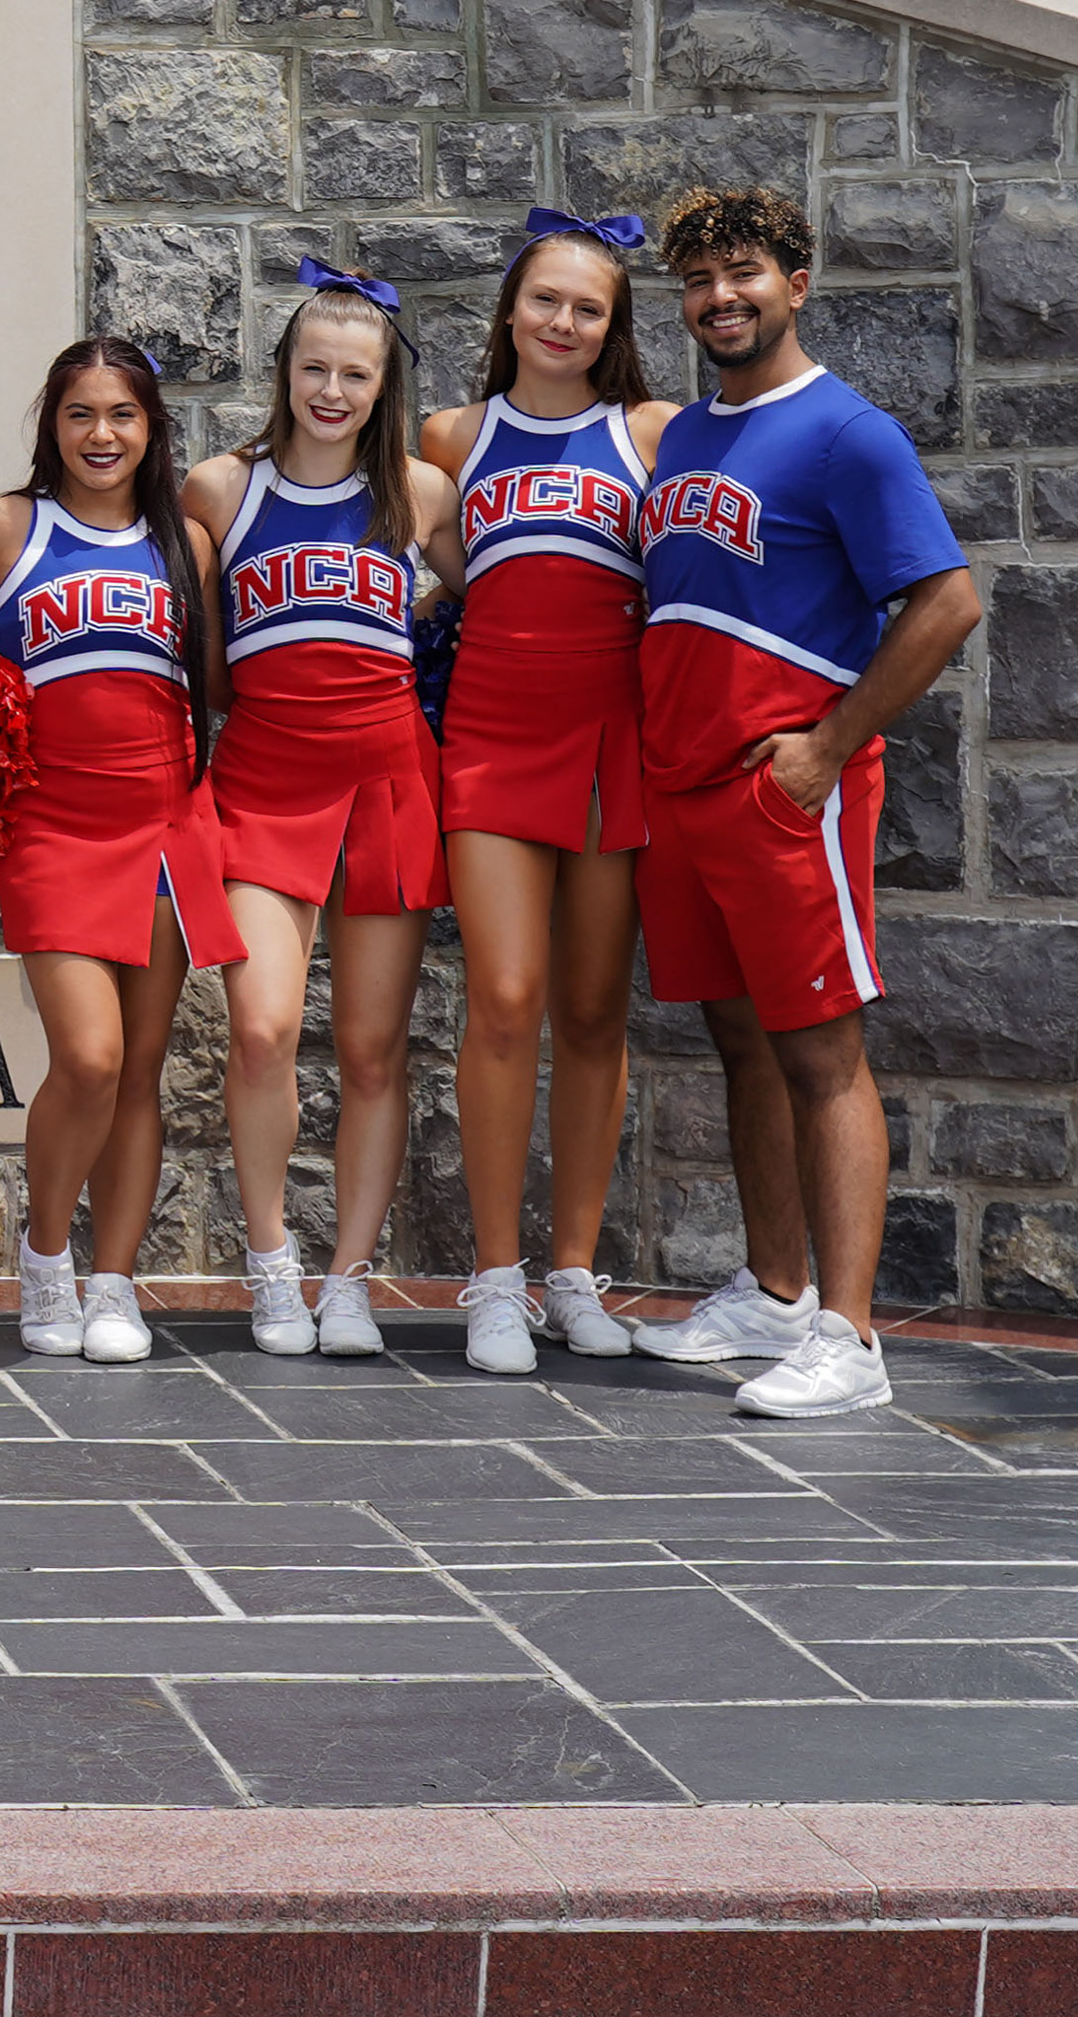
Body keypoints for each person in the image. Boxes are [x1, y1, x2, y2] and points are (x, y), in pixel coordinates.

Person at [629, 185, 981, 1420]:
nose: (721, 298)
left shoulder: (848, 434)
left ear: (799, 282)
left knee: (824, 1055)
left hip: (785, 794)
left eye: (745, 274)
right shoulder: (683, 437)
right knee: (742, 1043)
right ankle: (775, 1294)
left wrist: (827, 749)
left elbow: (945, 601)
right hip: (686, 792)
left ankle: (850, 1338)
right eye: (700, 281)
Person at [0, 337, 237, 1365]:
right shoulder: (0, 528)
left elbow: (211, 689)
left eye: (123, 415)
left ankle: (114, 1282)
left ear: (152, 429)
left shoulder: (184, 547)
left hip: (163, 829)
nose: (102, 434)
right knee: (89, 1055)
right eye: (82, 414)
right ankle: (43, 1261)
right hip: (53, 830)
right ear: (52, 425)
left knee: (141, 1069)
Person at [419, 212, 678, 1378]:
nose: (564, 322)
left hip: (609, 739)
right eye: (546, 301)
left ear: (612, 328)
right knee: (505, 997)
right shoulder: (449, 436)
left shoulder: (651, 432)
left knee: (590, 1011)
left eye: (589, 308)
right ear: (510, 312)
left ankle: (572, 1272)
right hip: (490, 736)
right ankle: (492, 1281)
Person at [185, 269, 459, 1360]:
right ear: (284, 374)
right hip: (263, 778)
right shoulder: (221, 488)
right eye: (314, 370)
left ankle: (349, 1278)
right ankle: (270, 1264)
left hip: (388, 776)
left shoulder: (417, 491)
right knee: (259, 1031)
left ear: (382, 383)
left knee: (373, 1049)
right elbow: (194, 632)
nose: (331, 391)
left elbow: (484, 591)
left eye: (354, 374)